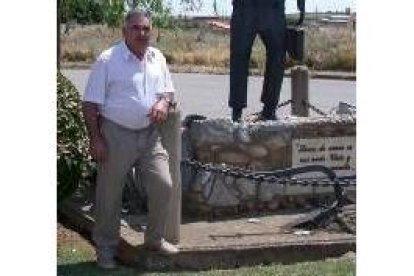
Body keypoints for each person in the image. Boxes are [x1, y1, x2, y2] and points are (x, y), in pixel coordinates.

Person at [82, 9, 178, 269]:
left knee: (163, 186)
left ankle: (154, 240)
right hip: (115, 133)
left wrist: (163, 102)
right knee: (109, 195)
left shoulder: (157, 57)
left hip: (150, 135)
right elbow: (90, 104)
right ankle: (105, 249)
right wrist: (96, 140)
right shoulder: (107, 60)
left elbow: (168, 92)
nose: (142, 33)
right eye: (136, 28)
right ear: (124, 31)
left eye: (146, 28)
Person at [229, 0, 295, 122]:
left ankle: (268, 110)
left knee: (276, 58)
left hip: (269, 8)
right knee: (239, 58)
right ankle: (238, 113)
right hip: (248, 8)